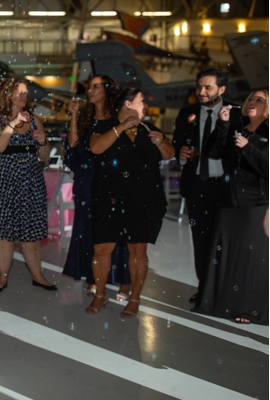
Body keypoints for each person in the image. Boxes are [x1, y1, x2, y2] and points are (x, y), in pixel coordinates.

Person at [87, 84, 177, 317]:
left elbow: (170, 154)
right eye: (141, 100)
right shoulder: (105, 125)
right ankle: (100, 295)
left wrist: (161, 141)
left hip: (143, 198)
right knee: (101, 248)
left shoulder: (149, 128)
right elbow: (95, 148)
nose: (145, 105)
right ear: (128, 104)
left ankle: (135, 298)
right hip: (109, 197)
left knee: (137, 249)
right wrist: (122, 127)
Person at [0, 77, 57, 292]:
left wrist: (42, 142)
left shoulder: (34, 120)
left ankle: (38, 275)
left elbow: (44, 156)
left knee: (30, 231)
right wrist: (11, 125)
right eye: (20, 92)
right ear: (8, 95)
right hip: (2, 178)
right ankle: (2, 277)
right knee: (3, 232)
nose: (24, 96)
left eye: (25, 92)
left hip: (30, 179)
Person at [63, 74, 135, 291]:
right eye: (89, 87)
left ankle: (123, 278)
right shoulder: (86, 117)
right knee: (88, 227)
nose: (91, 91)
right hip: (87, 179)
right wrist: (74, 115)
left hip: (112, 180)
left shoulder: (118, 119)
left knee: (116, 228)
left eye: (96, 87)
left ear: (106, 90)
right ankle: (93, 276)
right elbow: (74, 145)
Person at [204, 86, 268, 325]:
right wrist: (222, 125)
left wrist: (247, 147)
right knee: (228, 255)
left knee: (250, 260)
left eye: (260, 99)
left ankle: (249, 308)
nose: (253, 101)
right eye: (251, 97)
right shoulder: (237, 127)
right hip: (229, 201)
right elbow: (213, 152)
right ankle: (223, 303)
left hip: (256, 203)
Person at [177, 72, 234, 302]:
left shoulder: (235, 114)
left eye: (208, 88)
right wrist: (180, 154)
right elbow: (178, 145)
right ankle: (205, 289)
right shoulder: (185, 114)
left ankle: (224, 289)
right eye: (199, 87)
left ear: (221, 90)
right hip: (196, 187)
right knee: (200, 241)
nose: (201, 92)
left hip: (225, 187)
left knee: (225, 242)